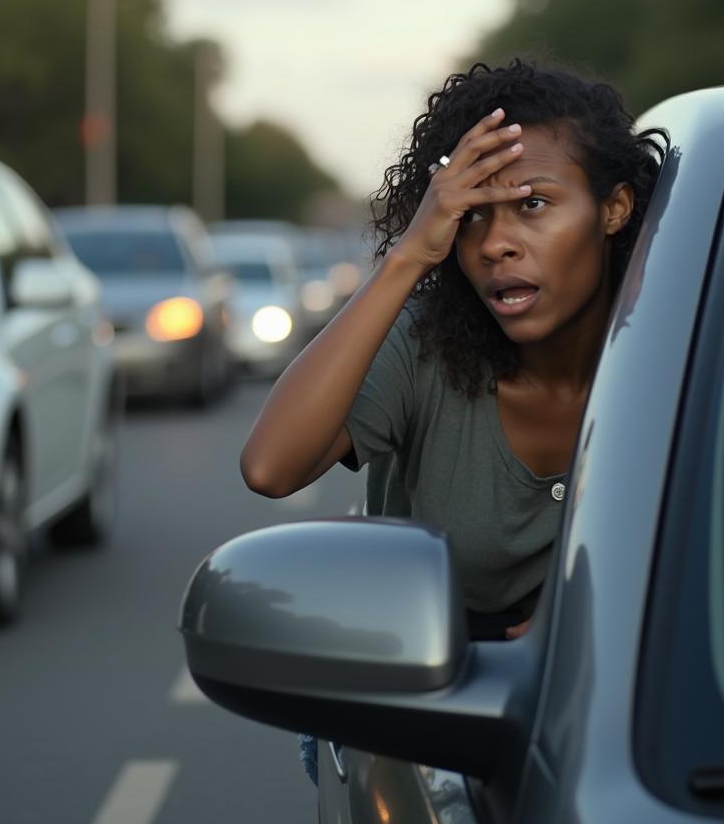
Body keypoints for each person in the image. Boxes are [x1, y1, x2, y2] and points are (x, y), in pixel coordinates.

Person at [241, 59, 665, 779]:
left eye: (532, 204)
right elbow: (270, 467)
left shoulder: (677, 345)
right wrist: (409, 255)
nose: (495, 244)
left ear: (614, 209)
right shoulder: (428, 342)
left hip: (627, 698)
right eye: (473, 216)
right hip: (432, 708)